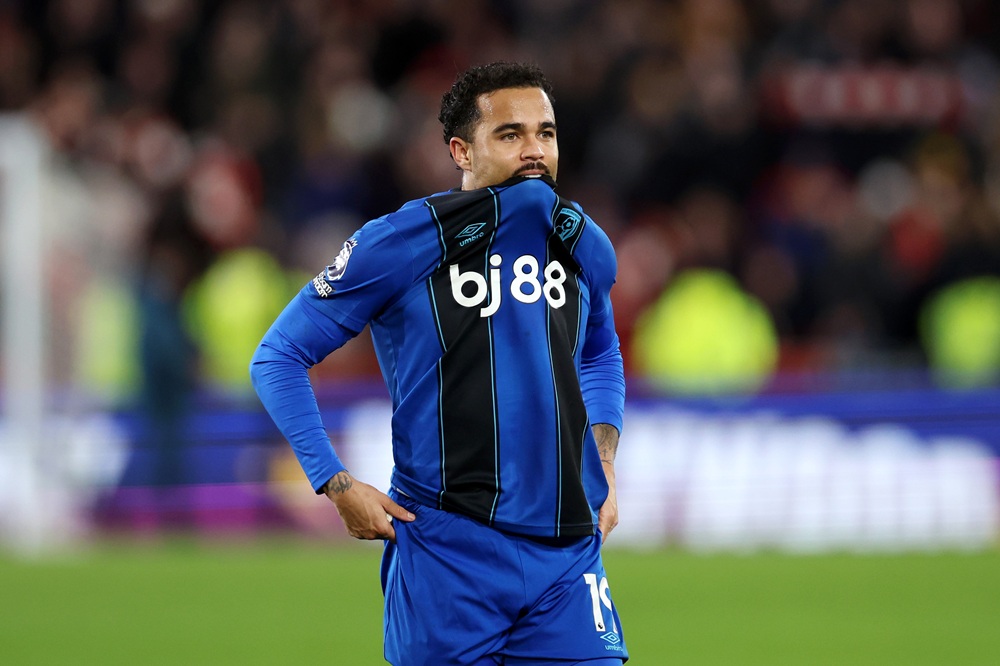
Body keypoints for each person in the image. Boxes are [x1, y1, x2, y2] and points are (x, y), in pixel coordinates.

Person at [250, 61, 628, 666]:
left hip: (568, 555)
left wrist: (604, 463)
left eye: (546, 133)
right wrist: (334, 482)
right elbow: (278, 355)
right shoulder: (403, 239)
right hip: (448, 551)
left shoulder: (583, 241)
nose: (534, 150)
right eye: (510, 135)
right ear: (461, 151)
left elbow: (601, 352)